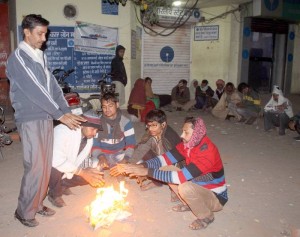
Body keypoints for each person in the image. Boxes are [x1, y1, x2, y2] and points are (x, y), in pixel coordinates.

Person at [6, 14, 86, 227]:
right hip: (30, 117)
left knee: (45, 164)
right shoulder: (19, 57)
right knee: (35, 166)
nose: (44, 38)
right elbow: (35, 89)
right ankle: (24, 211)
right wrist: (60, 115)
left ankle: (37, 203)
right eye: (40, 33)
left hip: (45, 116)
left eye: (45, 33)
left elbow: (52, 87)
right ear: (27, 32)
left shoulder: (40, 56)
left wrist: (66, 109)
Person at [111, 116, 228, 230]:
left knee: (185, 188)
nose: (182, 135)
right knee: (165, 168)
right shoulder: (189, 144)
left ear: (197, 134)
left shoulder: (208, 152)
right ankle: (190, 203)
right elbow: (164, 159)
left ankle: (206, 216)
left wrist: (145, 172)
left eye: (186, 132)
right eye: (183, 131)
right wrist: (139, 166)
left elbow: (180, 177)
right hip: (198, 185)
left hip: (214, 197)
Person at [48, 111, 104, 208]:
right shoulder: (62, 130)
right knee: (54, 168)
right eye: (93, 129)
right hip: (49, 166)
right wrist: (82, 172)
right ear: (82, 125)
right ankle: (54, 194)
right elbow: (55, 160)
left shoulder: (88, 138)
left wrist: (91, 171)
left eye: (97, 130)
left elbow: (82, 158)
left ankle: (62, 185)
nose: (95, 133)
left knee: (96, 172)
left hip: (68, 167)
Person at [131, 109, 181, 191]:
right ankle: (157, 181)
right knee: (140, 148)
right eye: (148, 125)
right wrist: (131, 165)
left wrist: (146, 171)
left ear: (163, 124)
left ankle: (165, 183)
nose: (150, 129)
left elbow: (172, 161)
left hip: (174, 164)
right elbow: (142, 148)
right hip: (160, 157)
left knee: (176, 189)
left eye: (154, 125)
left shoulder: (168, 137)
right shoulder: (152, 131)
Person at [92, 92, 136, 169]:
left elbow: (131, 143)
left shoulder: (126, 122)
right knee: (94, 166)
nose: (107, 110)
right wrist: (101, 157)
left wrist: (125, 159)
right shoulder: (97, 122)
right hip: (102, 153)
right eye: (104, 107)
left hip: (119, 153)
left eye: (110, 106)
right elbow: (94, 144)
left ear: (117, 105)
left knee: (135, 164)